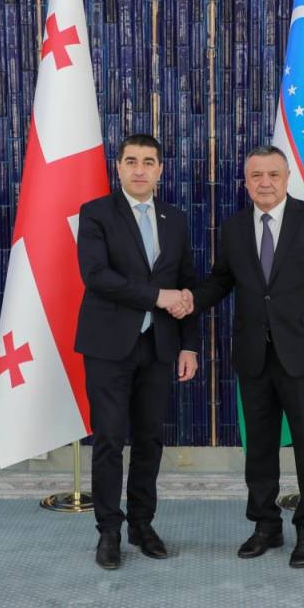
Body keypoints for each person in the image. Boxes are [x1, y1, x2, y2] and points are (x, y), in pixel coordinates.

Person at [173, 145, 304, 568]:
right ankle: (265, 526)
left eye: (273, 174)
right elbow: (221, 281)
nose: (265, 182)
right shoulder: (234, 228)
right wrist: (188, 300)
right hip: (254, 357)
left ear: (287, 178)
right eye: (256, 175)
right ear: (246, 181)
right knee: (259, 449)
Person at [74, 133, 198, 570]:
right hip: (109, 346)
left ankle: (143, 525)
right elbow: (96, 276)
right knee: (110, 439)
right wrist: (158, 297)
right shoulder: (96, 213)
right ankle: (109, 531)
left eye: (148, 162)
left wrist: (189, 345)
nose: (140, 169)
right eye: (131, 161)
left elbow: (186, 284)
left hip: (159, 346)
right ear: (119, 167)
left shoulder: (175, 218)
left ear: (160, 169)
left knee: (149, 439)